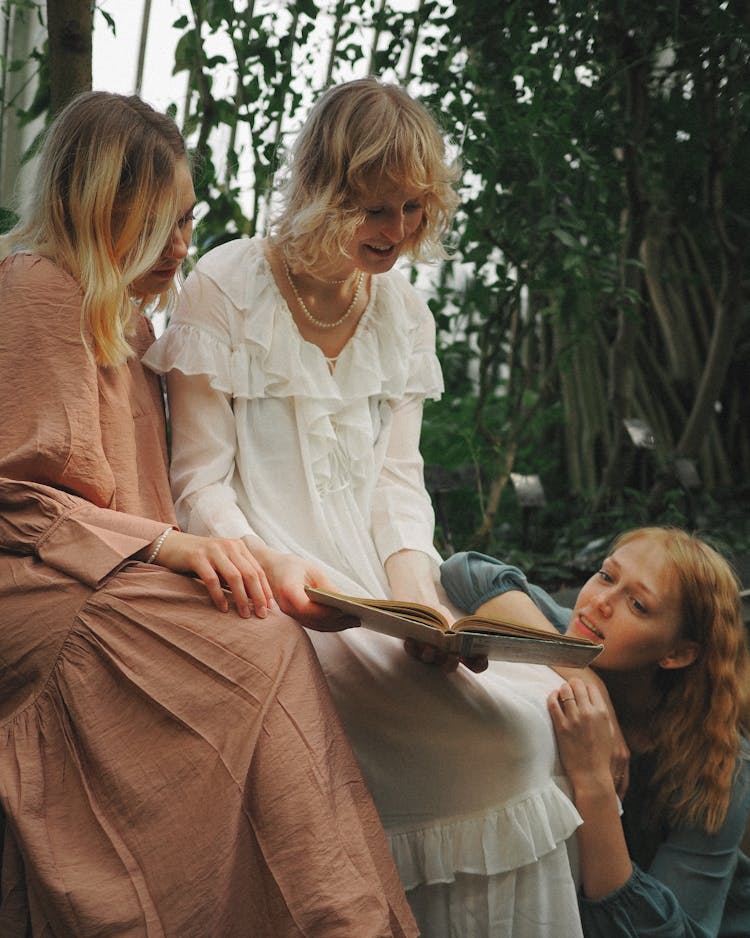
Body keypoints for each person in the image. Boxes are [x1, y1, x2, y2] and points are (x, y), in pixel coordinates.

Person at [144, 77, 585, 938]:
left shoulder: (404, 315)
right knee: (500, 751)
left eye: (416, 210)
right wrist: (283, 573)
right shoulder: (225, 285)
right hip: (278, 597)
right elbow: (201, 486)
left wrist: (419, 605)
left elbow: (397, 486)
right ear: (322, 190)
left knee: (539, 718)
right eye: (376, 210)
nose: (398, 233)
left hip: (383, 597)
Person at [0, 89, 420, 938]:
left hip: (116, 572)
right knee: (257, 645)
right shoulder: (39, 286)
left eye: (190, 223)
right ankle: (338, 920)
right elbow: (18, 499)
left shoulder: (124, 321)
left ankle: (327, 915)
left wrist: (242, 560)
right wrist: (175, 548)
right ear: (98, 211)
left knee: (262, 630)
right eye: (161, 226)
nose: (183, 249)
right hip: (43, 586)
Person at [440, 526, 750, 937]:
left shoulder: (721, 767)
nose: (600, 602)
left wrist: (594, 782)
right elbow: (466, 570)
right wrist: (581, 673)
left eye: (637, 604)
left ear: (678, 653)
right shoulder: (574, 629)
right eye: (606, 575)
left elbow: (675, 933)